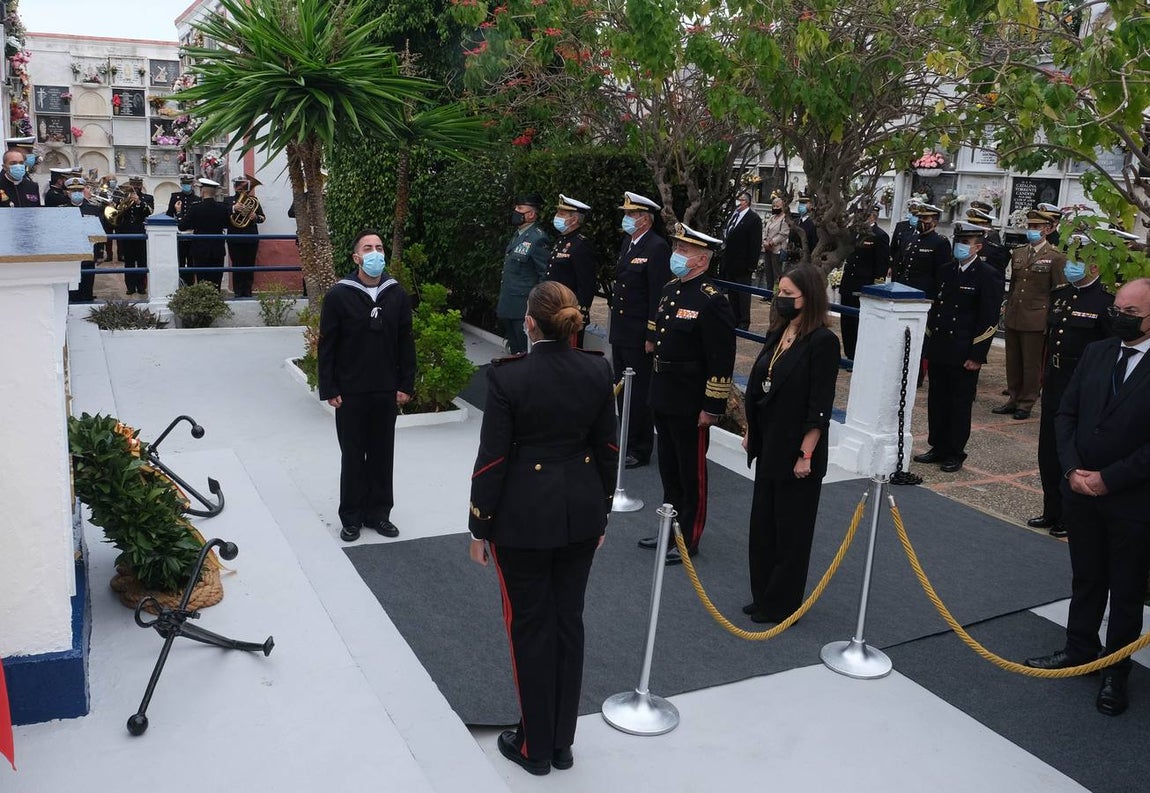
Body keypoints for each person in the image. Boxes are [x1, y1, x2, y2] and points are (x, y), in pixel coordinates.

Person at [467, 281, 617, 776]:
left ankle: (534, 745)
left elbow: (492, 462)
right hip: (580, 517)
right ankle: (561, 742)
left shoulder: (508, 377)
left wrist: (478, 528)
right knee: (567, 623)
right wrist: (602, 512)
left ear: (530, 323)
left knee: (530, 627)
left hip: (522, 523)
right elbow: (608, 451)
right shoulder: (597, 369)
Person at [1025, 278, 1150, 718]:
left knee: (1127, 588)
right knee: (1087, 577)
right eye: (1117, 307)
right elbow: (1066, 413)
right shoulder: (1098, 352)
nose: (1118, 316)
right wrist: (1071, 469)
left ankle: (1116, 671)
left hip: (1131, 499)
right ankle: (1079, 648)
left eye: (1130, 312)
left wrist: (1108, 479)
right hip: (1079, 489)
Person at [742, 264, 839, 623]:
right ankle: (763, 593)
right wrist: (752, 429)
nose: (779, 299)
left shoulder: (823, 342)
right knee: (763, 525)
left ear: (808, 298)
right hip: (769, 444)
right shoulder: (781, 330)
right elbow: (761, 382)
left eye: (787, 294)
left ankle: (783, 604)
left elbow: (819, 404)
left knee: (791, 531)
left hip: (798, 451)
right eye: (778, 292)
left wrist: (806, 453)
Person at [639, 224, 736, 565]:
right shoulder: (670, 290)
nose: (676, 255)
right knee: (668, 469)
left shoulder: (712, 300)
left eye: (682, 250)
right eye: (677, 248)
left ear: (701, 259)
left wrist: (712, 406)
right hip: (664, 393)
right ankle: (669, 528)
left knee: (690, 473)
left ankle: (688, 538)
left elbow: (721, 358)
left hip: (691, 400)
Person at [318, 230, 416, 542]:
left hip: (385, 389)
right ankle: (351, 516)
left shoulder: (396, 294)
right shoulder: (338, 295)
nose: (375, 253)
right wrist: (329, 387)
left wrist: (405, 383)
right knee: (352, 454)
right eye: (368, 248)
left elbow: (405, 343)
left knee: (382, 453)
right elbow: (327, 346)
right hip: (350, 391)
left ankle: (379, 513)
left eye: (379, 247)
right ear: (356, 258)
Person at [1028, 241, 1112, 537]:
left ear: (1094, 265)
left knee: (1073, 453)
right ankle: (1050, 509)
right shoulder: (1061, 296)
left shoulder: (1106, 302)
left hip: (1083, 389)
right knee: (1048, 451)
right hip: (1054, 383)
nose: (1070, 266)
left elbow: (1109, 352)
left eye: (1078, 261)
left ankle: (1068, 515)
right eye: (1069, 261)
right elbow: (1050, 342)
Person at [913, 224, 1004, 473]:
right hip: (941, 347)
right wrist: (929, 344)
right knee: (937, 400)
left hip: (964, 350)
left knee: (959, 404)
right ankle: (937, 446)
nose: (960, 246)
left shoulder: (987, 274)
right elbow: (936, 309)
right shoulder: (946, 270)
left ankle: (955, 451)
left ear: (978, 247)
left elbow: (989, 317)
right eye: (959, 241)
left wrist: (977, 355)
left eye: (967, 242)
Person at [610, 191, 671, 469]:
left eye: (631, 215)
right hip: (622, 329)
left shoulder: (657, 247)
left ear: (645, 220)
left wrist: (651, 334)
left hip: (639, 333)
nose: (626, 219)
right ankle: (625, 439)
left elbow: (658, 294)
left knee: (639, 391)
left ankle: (640, 447)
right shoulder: (629, 242)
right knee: (622, 389)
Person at [994, 207, 1067, 420]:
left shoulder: (1055, 257)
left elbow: (1059, 291)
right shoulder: (1018, 253)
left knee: (1031, 363)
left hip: (1036, 318)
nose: (1032, 230)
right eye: (1030, 226)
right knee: (1013, 360)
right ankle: (1013, 397)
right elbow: (1015, 284)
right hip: (1015, 314)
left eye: (1036, 227)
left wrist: (1051, 320)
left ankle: (1026, 402)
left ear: (1047, 229)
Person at [497, 193, 551, 353]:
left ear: (531, 214)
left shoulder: (538, 238)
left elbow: (544, 276)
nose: (515, 210)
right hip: (509, 305)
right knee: (515, 352)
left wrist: (536, 308)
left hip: (523, 309)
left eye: (520, 208)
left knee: (525, 352)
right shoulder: (518, 234)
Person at [544, 193, 597, 347]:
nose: (557, 216)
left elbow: (586, 283)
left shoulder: (580, 245)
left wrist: (580, 312)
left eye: (562, 214)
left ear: (574, 219)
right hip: (554, 308)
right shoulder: (562, 240)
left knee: (568, 356)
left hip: (569, 313)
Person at [839, 204, 890, 362]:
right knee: (846, 321)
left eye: (863, 214)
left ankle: (857, 355)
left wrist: (875, 287)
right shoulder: (854, 231)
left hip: (864, 285)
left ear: (873, 216)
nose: (859, 216)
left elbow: (881, 265)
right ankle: (848, 353)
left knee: (858, 322)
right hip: (849, 282)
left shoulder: (880, 235)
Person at [721, 190, 763, 330]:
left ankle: (744, 321)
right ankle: (733, 317)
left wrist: (752, 265)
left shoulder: (753, 219)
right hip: (731, 262)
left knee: (743, 294)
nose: (738, 202)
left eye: (741, 199)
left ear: (747, 202)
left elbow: (755, 243)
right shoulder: (734, 216)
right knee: (732, 293)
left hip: (743, 264)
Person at [178, 178, 231, 288]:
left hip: (200, 248)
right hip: (218, 248)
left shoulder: (196, 208)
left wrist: (179, 213)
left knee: (202, 279)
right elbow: (227, 224)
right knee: (217, 280)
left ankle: (203, 302)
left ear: (203, 191)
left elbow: (182, 226)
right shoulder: (223, 207)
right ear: (215, 192)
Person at [225, 174, 266, 298]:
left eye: (243, 185)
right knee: (236, 264)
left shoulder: (254, 200)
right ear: (234, 187)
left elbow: (262, 218)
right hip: (234, 237)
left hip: (250, 237)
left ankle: (247, 291)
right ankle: (238, 291)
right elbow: (222, 217)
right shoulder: (228, 201)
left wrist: (255, 217)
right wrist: (233, 208)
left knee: (249, 264)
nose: (240, 188)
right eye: (238, 185)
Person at [114, 175, 154, 296]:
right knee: (129, 262)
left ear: (141, 185)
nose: (135, 187)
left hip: (141, 233)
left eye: (137, 185)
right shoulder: (123, 196)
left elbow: (149, 211)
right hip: (126, 233)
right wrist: (123, 202)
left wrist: (138, 202)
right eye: (133, 185)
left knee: (142, 261)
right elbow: (117, 212)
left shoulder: (148, 198)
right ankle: (130, 286)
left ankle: (141, 286)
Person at [166, 174, 200, 286]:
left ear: (192, 185)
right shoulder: (175, 197)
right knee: (179, 259)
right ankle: (179, 282)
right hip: (178, 233)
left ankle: (190, 283)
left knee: (191, 261)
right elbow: (169, 214)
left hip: (192, 234)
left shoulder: (197, 199)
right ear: (181, 184)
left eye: (189, 183)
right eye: (185, 183)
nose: (187, 186)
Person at [963, 207, 1009, 279]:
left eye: (976, 224)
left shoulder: (994, 249)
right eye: (970, 223)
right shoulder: (961, 244)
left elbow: (997, 277)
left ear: (986, 226)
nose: (971, 227)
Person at [759, 192, 789, 294]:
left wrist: (772, 242)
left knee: (776, 272)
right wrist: (764, 241)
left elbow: (783, 234)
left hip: (777, 249)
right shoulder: (772, 218)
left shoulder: (784, 219)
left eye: (777, 206)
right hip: (767, 248)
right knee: (768, 272)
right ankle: (768, 292)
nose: (775, 208)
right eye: (774, 206)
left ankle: (777, 293)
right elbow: (765, 230)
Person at [889, 199, 923, 276]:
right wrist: (890, 266)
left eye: (916, 214)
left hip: (913, 270)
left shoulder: (923, 228)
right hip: (898, 267)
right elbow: (893, 247)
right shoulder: (900, 226)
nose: (913, 216)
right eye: (911, 212)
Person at [787, 191, 818, 261]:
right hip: (792, 258)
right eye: (800, 203)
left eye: (804, 203)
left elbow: (813, 243)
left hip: (805, 260)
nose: (801, 206)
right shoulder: (796, 221)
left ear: (812, 205)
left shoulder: (813, 224)